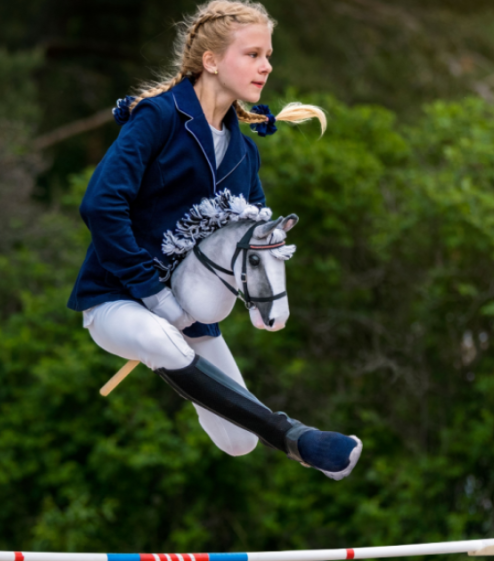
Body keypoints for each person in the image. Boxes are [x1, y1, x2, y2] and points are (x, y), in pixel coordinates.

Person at [68, 0, 361, 480]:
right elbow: (100, 206)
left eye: (268, 55)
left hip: (190, 317)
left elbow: (251, 240)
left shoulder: (245, 153)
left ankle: (181, 365)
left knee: (239, 441)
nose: (266, 65)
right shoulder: (157, 118)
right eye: (252, 54)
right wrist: (152, 293)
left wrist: (265, 297)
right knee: (161, 338)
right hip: (116, 299)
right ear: (210, 61)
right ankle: (298, 438)